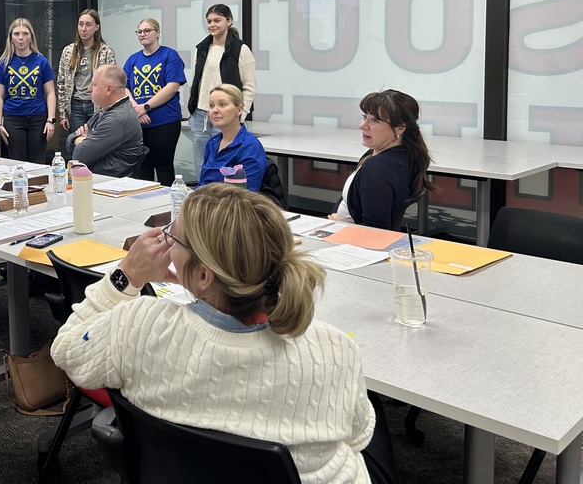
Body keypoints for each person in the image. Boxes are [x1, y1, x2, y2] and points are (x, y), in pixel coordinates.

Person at [51, 184, 396, 484]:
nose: (167, 244)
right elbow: (359, 434)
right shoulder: (335, 349)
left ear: (204, 276)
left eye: (173, 237)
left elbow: (67, 348)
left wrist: (128, 273)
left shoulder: (139, 326)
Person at [330, 89, 435, 230]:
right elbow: (348, 197)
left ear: (399, 129)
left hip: (350, 241)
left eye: (374, 120)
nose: (362, 125)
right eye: (364, 117)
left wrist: (341, 225)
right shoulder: (388, 153)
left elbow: (376, 232)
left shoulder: (379, 168)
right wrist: (335, 215)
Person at [187, 3, 257, 179]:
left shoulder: (240, 49)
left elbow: (249, 86)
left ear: (229, 21)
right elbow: (196, 81)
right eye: (209, 21)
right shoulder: (201, 49)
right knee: (201, 167)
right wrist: (192, 109)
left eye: (217, 20)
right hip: (200, 116)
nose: (212, 24)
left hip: (227, 116)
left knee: (223, 168)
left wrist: (240, 115)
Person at [123, 18, 186, 186]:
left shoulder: (169, 55)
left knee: (164, 167)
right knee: (143, 168)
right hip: (138, 122)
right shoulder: (132, 60)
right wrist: (137, 109)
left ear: (157, 33)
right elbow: (124, 87)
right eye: (140, 32)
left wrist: (145, 107)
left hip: (164, 121)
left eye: (147, 30)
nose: (142, 34)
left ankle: (169, 207)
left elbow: (172, 87)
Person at [0, 17, 57, 164]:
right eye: (16, 34)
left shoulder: (41, 61)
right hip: (13, 119)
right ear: (11, 38)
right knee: (17, 163)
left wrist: (51, 120)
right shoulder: (4, 64)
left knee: (37, 163)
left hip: (38, 119)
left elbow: (50, 93)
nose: (21, 38)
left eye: (25, 34)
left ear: (31, 37)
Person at [66, 64, 145, 177]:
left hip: (110, 182)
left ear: (109, 89)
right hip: (99, 178)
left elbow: (79, 156)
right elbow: (70, 138)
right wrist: (79, 140)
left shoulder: (116, 119)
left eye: (94, 84)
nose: (89, 89)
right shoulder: (106, 110)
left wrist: (80, 140)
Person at [57, 9, 116, 135]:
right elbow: (61, 83)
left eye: (88, 25)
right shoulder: (68, 51)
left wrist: (108, 110)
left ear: (97, 27)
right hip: (76, 105)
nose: (83, 29)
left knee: (98, 143)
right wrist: (63, 113)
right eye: (80, 24)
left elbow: (112, 82)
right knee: (78, 143)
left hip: (96, 105)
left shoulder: (105, 52)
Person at [198, 84, 267, 189]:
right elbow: (203, 183)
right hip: (205, 200)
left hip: (229, 203)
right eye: (211, 105)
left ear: (239, 110)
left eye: (222, 104)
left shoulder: (250, 147)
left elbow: (248, 195)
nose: (215, 110)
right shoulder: (212, 143)